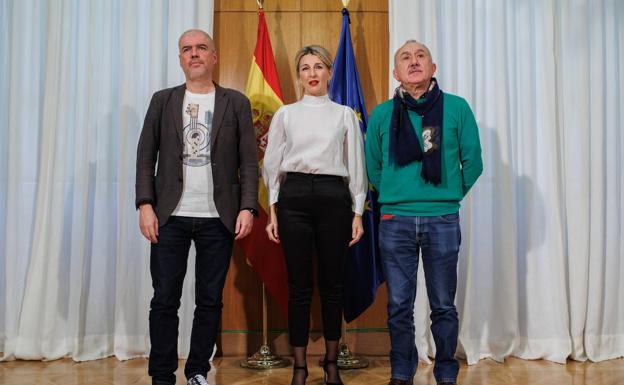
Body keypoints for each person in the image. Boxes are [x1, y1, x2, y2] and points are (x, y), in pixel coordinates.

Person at [135, 29, 258, 385]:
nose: (194, 54)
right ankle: (161, 375)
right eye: (187, 49)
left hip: (218, 217)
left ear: (214, 57)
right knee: (164, 300)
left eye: (201, 48)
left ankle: (198, 371)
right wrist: (145, 204)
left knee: (209, 301)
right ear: (179, 58)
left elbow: (249, 163)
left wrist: (248, 207)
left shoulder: (236, 102)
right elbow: (145, 158)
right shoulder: (163, 101)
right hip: (169, 216)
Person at [365, 40, 483, 385]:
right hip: (394, 220)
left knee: (443, 303)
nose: (413, 61)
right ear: (395, 73)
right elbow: (373, 166)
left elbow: (473, 162)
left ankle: (446, 371)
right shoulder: (382, 114)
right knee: (399, 304)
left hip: (442, 220)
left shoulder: (457, 108)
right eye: (405, 57)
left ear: (432, 68)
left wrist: (447, 197)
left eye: (420, 56)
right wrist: (395, 195)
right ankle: (401, 371)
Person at [262, 45, 367, 385]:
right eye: (305, 67)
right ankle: (299, 367)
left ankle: (332, 364)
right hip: (293, 199)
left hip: (333, 197)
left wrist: (357, 212)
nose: (312, 73)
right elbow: (272, 165)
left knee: (333, 285)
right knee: (298, 286)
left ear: (329, 72)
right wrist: (273, 209)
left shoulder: (344, 114)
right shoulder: (286, 114)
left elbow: (356, 167)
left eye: (318, 66)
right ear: (299, 75)